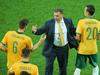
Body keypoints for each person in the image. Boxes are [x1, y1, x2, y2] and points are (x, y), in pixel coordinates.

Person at [32, 8, 78, 75]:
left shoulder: (68, 21)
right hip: (52, 48)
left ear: (62, 15)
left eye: (57, 16)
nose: (55, 17)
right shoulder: (49, 23)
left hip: (63, 48)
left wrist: (80, 32)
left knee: (63, 66)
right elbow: (41, 30)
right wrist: (35, 31)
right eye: (54, 15)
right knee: (49, 66)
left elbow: (72, 30)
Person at [74, 4, 100, 75]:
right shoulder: (98, 23)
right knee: (95, 66)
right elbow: (98, 37)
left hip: (83, 49)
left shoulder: (81, 22)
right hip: (93, 49)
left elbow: (77, 37)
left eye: (85, 10)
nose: (84, 11)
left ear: (88, 12)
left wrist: (73, 38)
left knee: (78, 67)